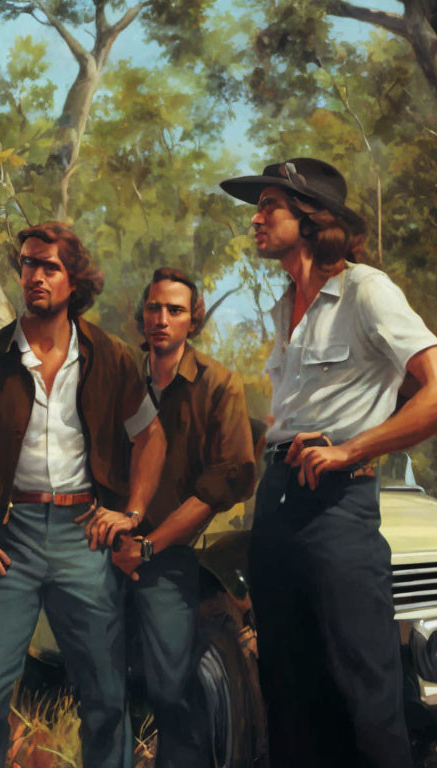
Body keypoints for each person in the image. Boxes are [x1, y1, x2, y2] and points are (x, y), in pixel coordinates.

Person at [220, 158, 437, 767]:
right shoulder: (285, 308)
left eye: (269, 206)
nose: (255, 218)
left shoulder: (366, 289)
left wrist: (354, 448)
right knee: (288, 695)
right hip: (277, 508)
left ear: (311, 219)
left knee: (364, 698)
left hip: (338, 510)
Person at [0, 221, 167, 768]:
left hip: (83, 534)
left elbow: (151, 437)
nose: (34, 276)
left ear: (74, 280)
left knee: (106, 699)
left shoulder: (107, 356)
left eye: (49, 266)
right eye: (28, 265)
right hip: (10, 540)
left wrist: (130, 513)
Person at [90, 267, 256, 767]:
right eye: (154, 309)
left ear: (194, 319)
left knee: (171, 690)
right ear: (141, 316)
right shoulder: (113, 378)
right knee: (99, 690)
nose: (162, 319)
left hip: (173, 553)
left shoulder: (219, 385)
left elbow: (221, 485)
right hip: (100, 548)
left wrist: (150, 545)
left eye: (175, 310)